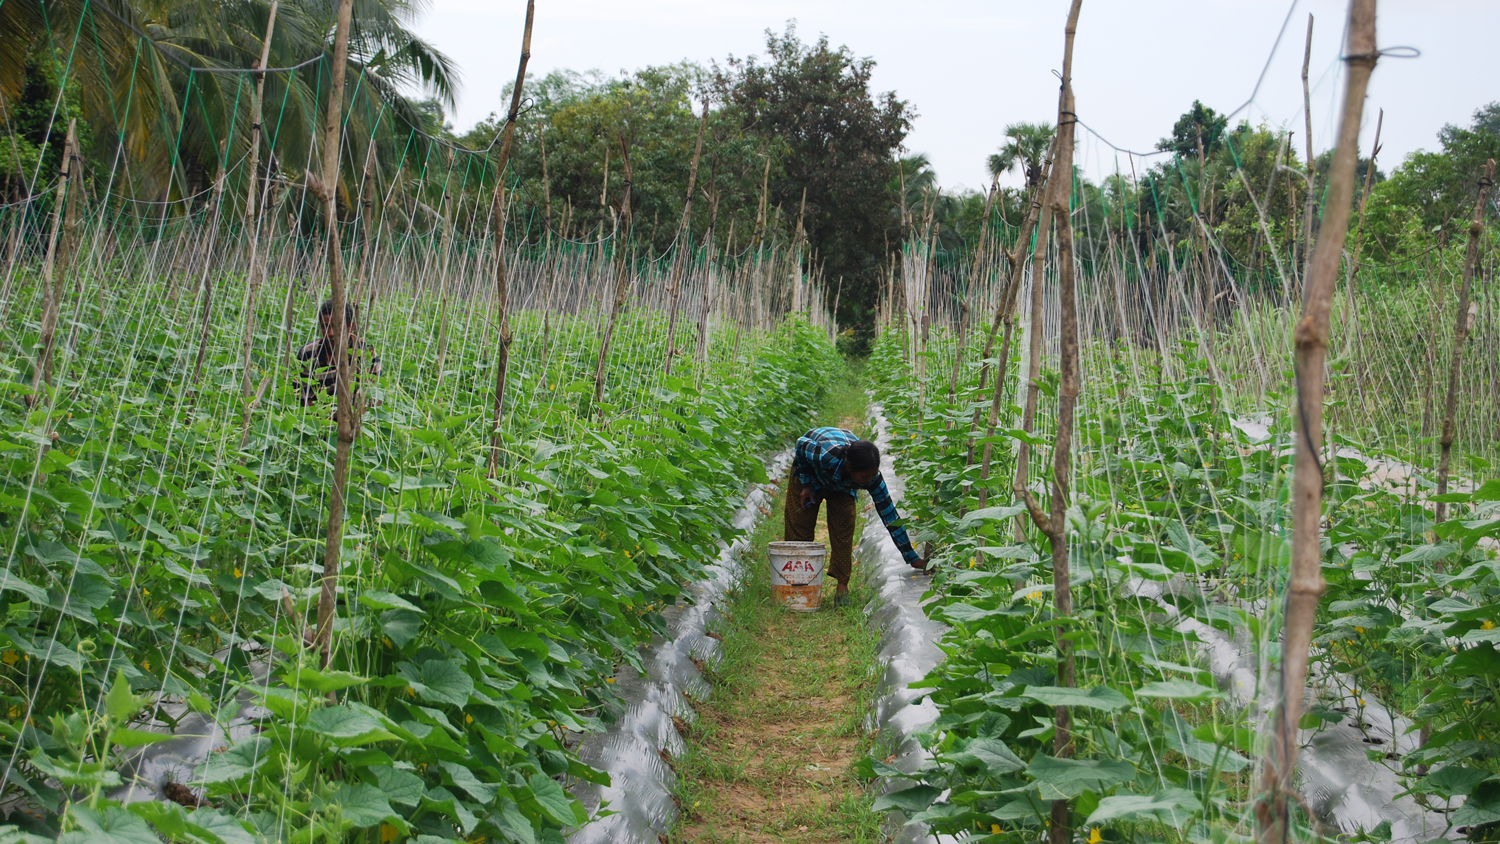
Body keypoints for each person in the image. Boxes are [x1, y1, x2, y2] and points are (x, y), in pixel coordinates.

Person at [785, 427, 924, 608]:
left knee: (844, 527)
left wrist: (911, 557)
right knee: (799, 523)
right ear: (850, 468)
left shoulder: (871, 478)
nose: (869, 480)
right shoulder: (825, 455)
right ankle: (797, 587)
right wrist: (805, 483)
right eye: (865, 476)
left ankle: (842, 588)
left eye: (873, 475)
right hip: (811, 468)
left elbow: (889, 515)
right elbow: (800, 444)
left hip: (842, 484)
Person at [297, 298, 380, 408]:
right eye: (325, 326)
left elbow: (375, 396)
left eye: (337, 326)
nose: (330, 333)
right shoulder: (308, 353)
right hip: (318, 420)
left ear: (350, 326)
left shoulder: (364, 352)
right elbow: (304, 398)